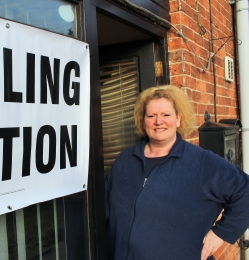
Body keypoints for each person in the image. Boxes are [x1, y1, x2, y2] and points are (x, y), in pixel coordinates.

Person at [105, 85, 249, 260]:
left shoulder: (200, 162)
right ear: (143, 121)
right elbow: (104, 208)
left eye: (166, 115)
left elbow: (245, 191)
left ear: (178, 120)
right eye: (151, 116)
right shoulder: (125, 160)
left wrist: (222, 233)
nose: (159, 121)